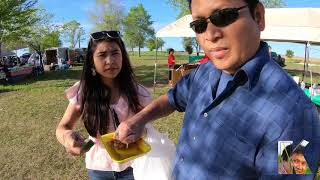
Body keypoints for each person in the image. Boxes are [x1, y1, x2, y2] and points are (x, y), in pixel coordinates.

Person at [116, 0, 320, 179]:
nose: (210, 35)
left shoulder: (296, 116)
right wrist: (138, 119)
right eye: (199, 25)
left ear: (258, 16)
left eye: (223, 16)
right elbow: (172, 98)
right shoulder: (203, 72)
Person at [55, 30, 152, 180]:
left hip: (134, 164)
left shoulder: (135, 91)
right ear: (91, 61)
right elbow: (63, 127)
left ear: (123, 57)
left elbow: (147, 122)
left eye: (115, 53)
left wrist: (140, 129)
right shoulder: (83, 91)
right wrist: (67, 137)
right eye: (102, 55)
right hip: (99, 168)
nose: (110, 60)